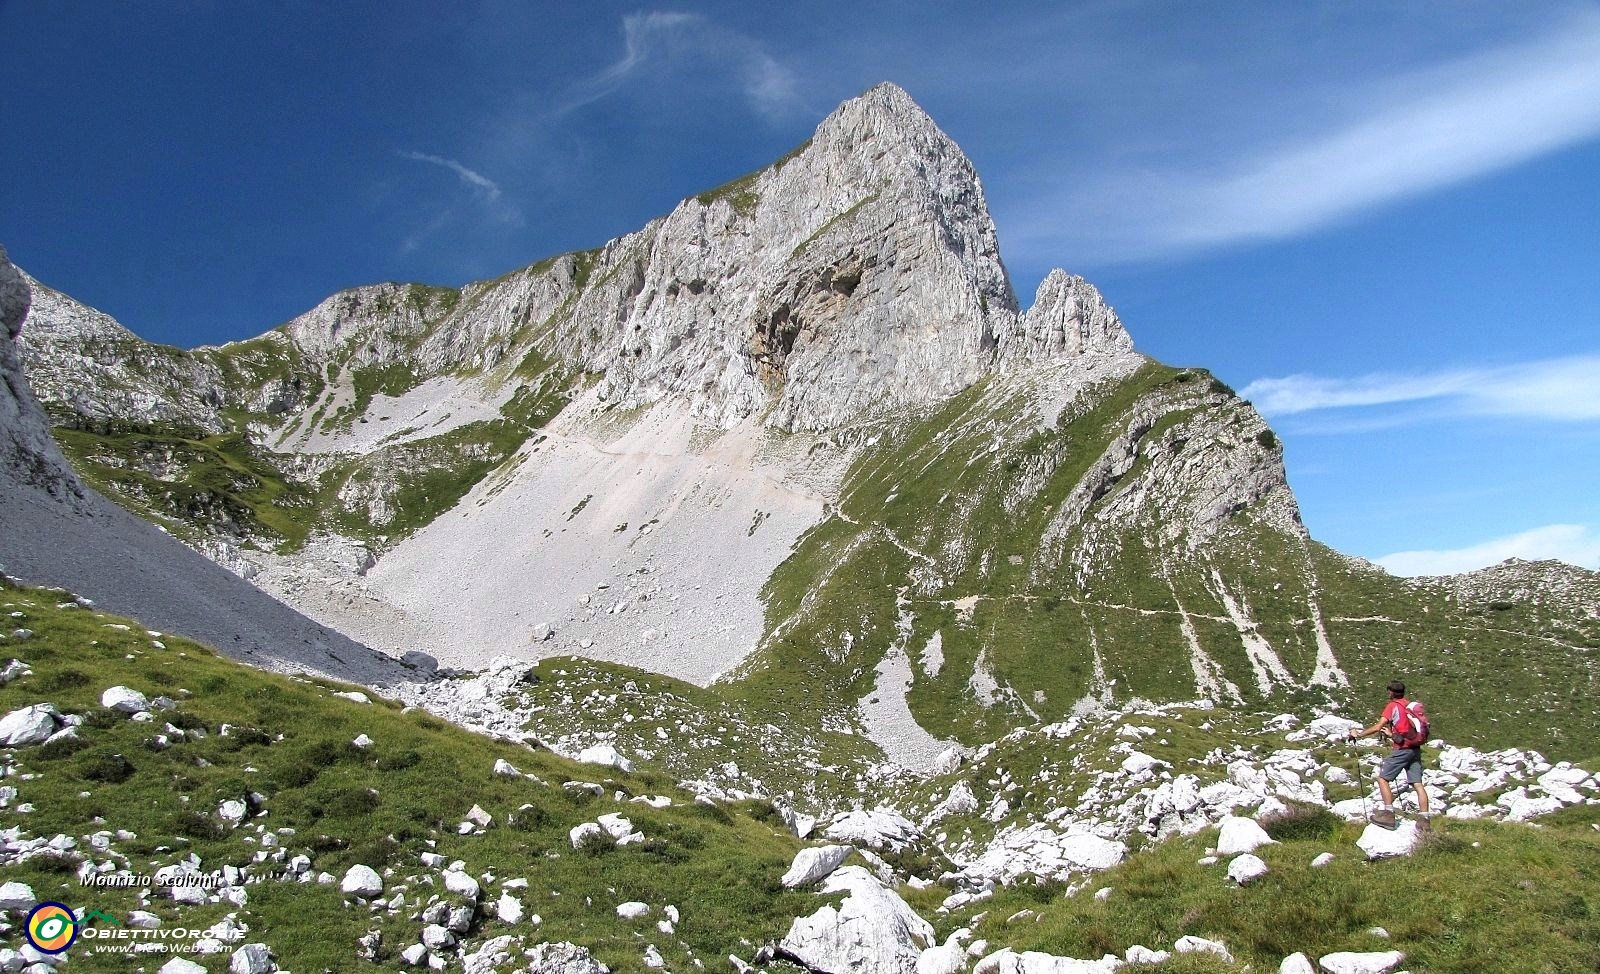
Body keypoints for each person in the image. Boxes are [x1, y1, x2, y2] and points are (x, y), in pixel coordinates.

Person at [1348, 680, 1432, 829]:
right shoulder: (1409, 706)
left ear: (1390, 692)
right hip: (1414, 749)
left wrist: (1359, 735)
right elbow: (1406, 727)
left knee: (1383, 779)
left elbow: (1378, 726)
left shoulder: (1392, 706)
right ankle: (1425, 820)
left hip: (1402, 749)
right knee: (1418, 784)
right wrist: (1391, 733)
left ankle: (1388, 814)